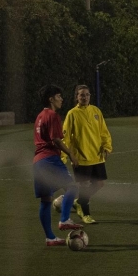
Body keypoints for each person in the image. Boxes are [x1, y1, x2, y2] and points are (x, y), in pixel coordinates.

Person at [32, 84, 83, 247]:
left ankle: (50, 238)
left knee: (46, 201)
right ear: (51, 99)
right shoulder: (53, 115)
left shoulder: (40, 116)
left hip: (38, 162)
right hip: (50, 160)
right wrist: (71, 154)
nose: (61, 99)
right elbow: (56, 140)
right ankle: (65, 219)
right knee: (73, 187)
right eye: (59, 96)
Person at [62, 85, 113, 225]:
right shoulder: (72, 114)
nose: (84, 97)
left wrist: (107, 147)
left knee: (100, 183)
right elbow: (65, 137)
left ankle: (79, 202)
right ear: (76, 97)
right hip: (81, 158)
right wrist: (64, 155)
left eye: (87, 94)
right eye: (81, 95)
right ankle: (86, 214)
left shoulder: (96, 111)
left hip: (96, 156)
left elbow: (104, 131)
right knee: (84, 186)